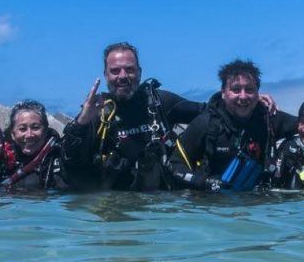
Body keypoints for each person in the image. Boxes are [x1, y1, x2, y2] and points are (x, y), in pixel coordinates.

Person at [170, 59, 304, 191]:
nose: (243, 96)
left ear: (258, 92)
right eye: (236, 89)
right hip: (213, 209)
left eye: (249, 90)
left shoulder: (269, 120)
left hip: (256, 212)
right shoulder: (206, 123)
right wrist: (206, 183)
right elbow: (174, 166)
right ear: (224, 93)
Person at [69, 42, 211, 191]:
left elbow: (213, 113)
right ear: (106, 74)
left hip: (166, 206)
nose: (123, 76)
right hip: (116, 207)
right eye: (115, 71)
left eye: (129, 69)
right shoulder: (97, 112)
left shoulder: (161, 103)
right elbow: (71, 168)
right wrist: (81, 124)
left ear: (140, 72)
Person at [0, 100, 83, 190]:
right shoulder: (0, 160)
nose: (29, 135)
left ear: (46, 131)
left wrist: (82, 122)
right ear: (12, 134)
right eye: (22, 129)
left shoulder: (59, 157)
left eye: (36, 127)